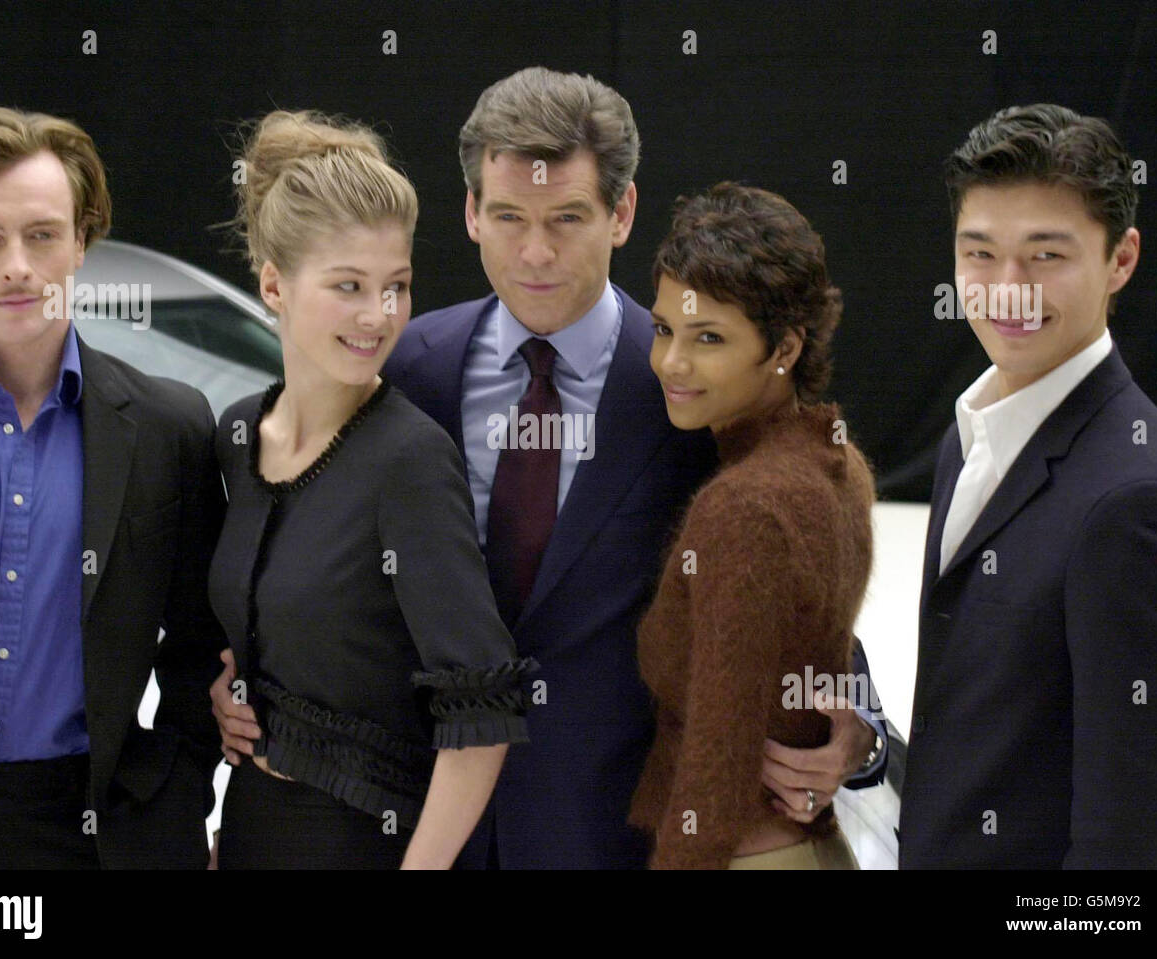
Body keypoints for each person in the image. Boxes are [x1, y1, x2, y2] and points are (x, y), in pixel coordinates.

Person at [213, 67, 889, 869]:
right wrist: (248, 682)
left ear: (622, 212)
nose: (535, 252)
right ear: (470, 213)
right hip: (422, 822)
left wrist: (853, 714)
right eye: (508, 216)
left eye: (567, 217)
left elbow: (792, 557)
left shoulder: (686, 382)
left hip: (612, 832)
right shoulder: (408, 364)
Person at [0, 107, 226, 868]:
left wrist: (172, 800)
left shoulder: (169, 428)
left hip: (100, 830)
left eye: (42, 234)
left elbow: (203, 646)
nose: (17, 264)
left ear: (82, 241)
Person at [208, 110, 534, 870]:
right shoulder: (233, 437)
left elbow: (482, 717)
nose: (379, 315)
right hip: (250, 830)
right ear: (273, 284)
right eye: (349, 286)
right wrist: (223, 691)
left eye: (397, 287)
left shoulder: (409, 460)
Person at [899, 104, 1157, 868]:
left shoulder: (1138, 502)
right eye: (980, 253)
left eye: (1046, 255)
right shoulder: (965, 438)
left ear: (1121, 259)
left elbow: (1134, 847)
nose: (1007, 290)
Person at [627, 183, 874, 869]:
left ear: (784, 346)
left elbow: (718, 757)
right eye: (663, 329)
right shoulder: (836, 460)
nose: (671, 363)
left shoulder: (745, 506)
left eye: (709, 337)